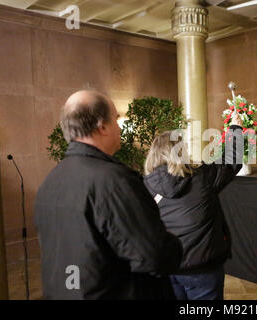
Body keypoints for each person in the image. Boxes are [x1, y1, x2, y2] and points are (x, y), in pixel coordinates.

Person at [34, 90, 182, 300]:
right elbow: (155, 256)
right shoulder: (114, 181)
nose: (120, 127)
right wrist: (169, 242)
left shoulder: (49, 183)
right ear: (102, 127)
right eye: (116, 119)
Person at [143, 114, 244, 300]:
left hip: (167, 266)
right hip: (202, 268)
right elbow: (232, 161)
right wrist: (235, 130)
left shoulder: (143, 186)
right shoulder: (202, 178)